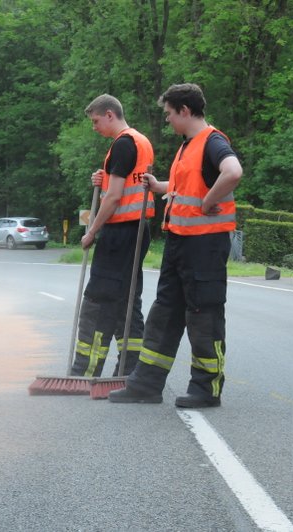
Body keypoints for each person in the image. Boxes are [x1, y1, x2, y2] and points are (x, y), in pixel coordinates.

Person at [109, 83, 242, 408]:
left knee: (203, 316)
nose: (167, 120)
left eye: (169, 114)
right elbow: (187, 186)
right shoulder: (188, 146)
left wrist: (209, 202)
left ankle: (206, 389)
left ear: (184, 110)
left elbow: (233, 172)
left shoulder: (212, 141)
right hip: (179, 244)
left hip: (205, 247)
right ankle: (145, 385)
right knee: (164, 313)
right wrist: (159, 186)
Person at [70, 94, 155, 378]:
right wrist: (103, 178)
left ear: (109, 114)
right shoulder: (138, 141)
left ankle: (85, 370)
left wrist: (92, 230)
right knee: (127, 299)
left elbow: (115, 196)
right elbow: (122, 182)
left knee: (99, 297)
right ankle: (129, 369)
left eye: (95, 121)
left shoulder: (122, 144)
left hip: (120, 233)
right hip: (138, 230)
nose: (94, 127)